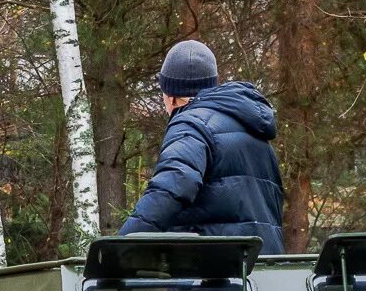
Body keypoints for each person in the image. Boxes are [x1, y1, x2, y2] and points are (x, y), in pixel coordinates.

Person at [119, 40, 286, 253]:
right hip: (265, 269)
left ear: (170, 96)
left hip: (216, 274)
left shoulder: (190, 124)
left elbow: (170, 189)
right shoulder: (253, 127)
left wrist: (118, 248)